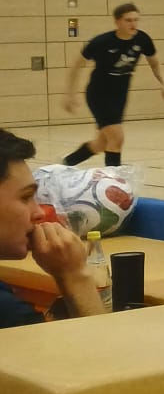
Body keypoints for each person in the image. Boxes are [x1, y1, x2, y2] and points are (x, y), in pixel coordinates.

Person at [0, 130, 108, 324]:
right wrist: (75, 277)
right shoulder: (8, 312)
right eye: (25, 197)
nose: (38, 213)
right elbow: (101, 343)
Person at [60, 4, 164, 167]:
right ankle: (112, 178)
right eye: (128, 20)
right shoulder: (102, 42)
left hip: (120, 95)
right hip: (99, 94)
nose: (133, 24)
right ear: (117, 22)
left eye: (136, 20)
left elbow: (154, 63)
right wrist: (70, 95)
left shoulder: (142, 39)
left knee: (101, 144)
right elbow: (76, 67)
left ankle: (65, 164)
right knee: (117, 138)